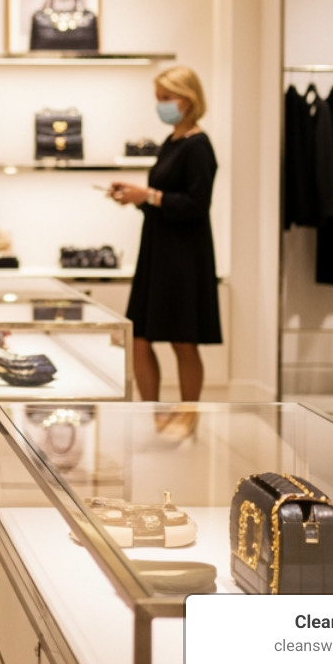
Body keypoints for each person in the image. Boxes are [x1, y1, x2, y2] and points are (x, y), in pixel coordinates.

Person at [108, 66, 221, 418]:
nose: (161, 106)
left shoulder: (199, 146)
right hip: (158, 251)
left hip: (185, 255)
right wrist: (137, 197)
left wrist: (151, 196)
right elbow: (162, 199)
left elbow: (196, 204)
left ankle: (188, 417)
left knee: (183, 340)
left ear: (187, 99)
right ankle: (151, 414)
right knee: (139, 339)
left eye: (166, 98)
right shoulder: (171, 143)